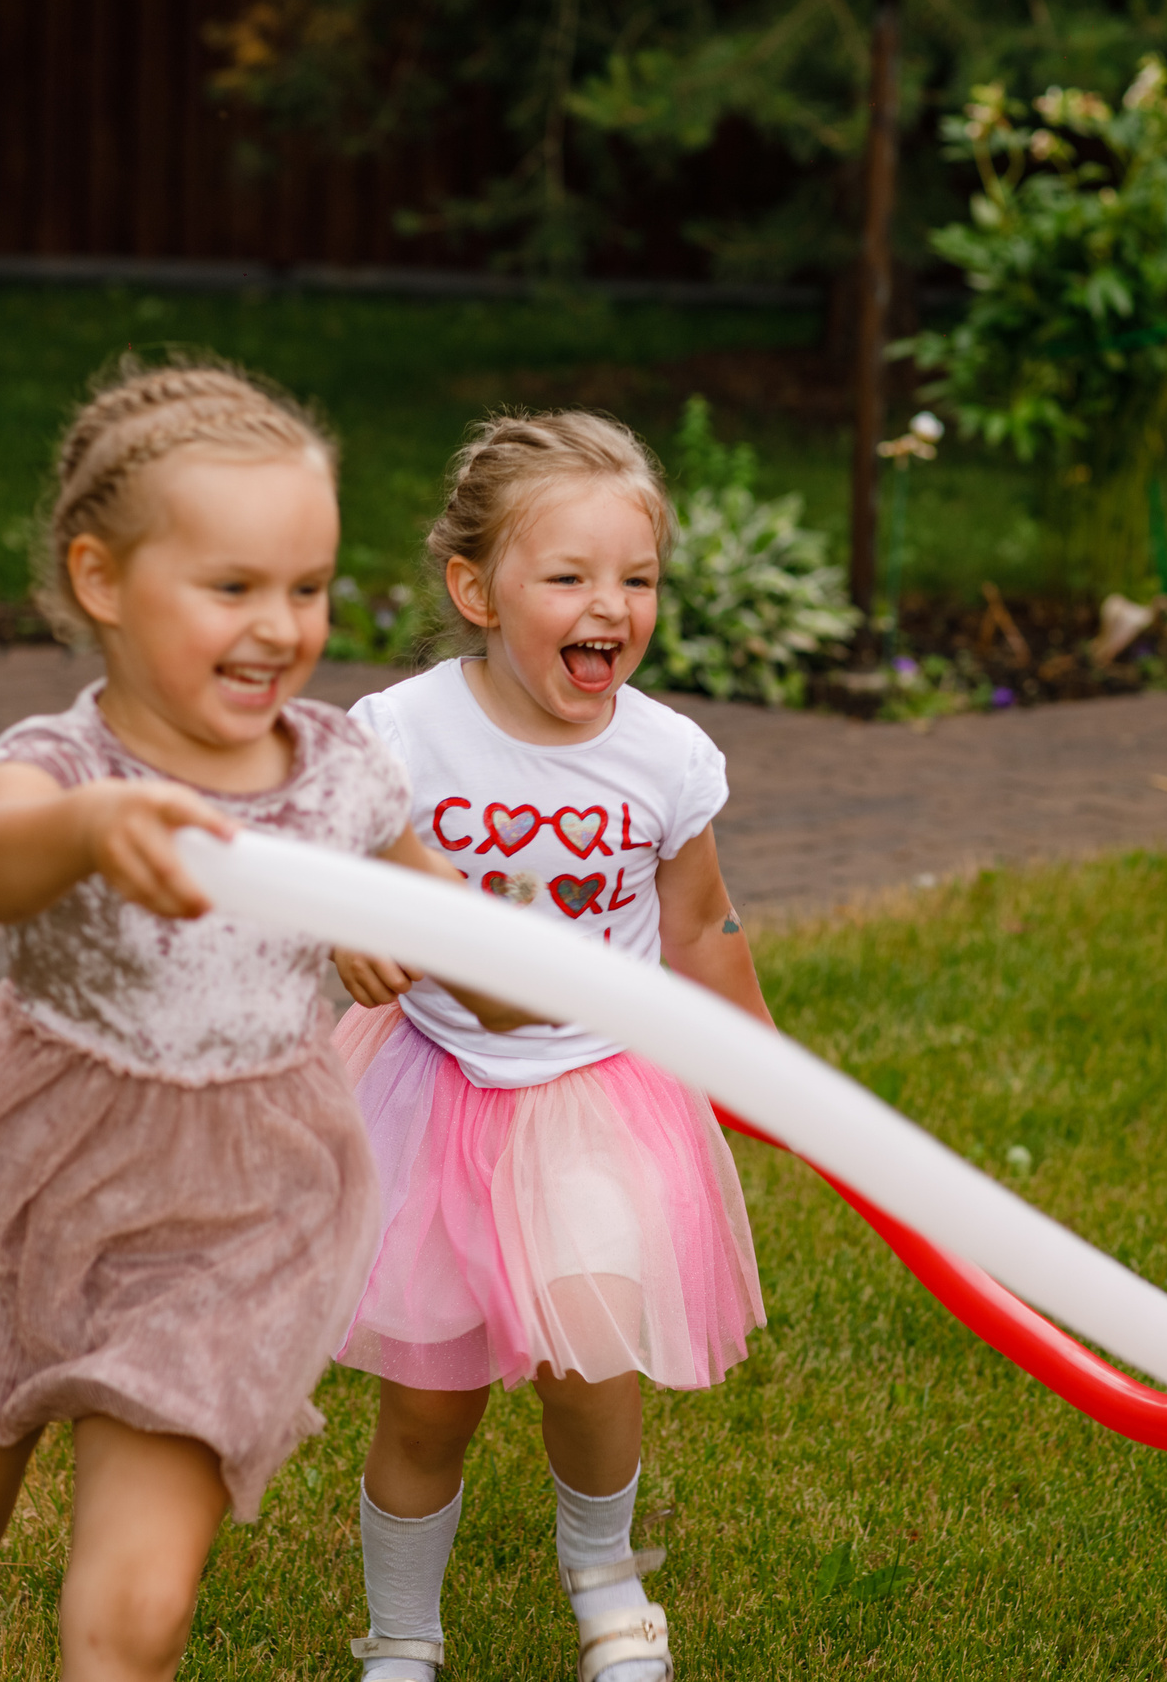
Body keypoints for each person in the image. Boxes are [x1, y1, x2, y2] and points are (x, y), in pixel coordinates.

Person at [0, 358, 454, 1682]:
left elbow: (473, 940)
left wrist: (458, 933)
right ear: (101, 579)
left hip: (234, 1207)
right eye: (234, 585)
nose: (280, 625)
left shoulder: (346, 771)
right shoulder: (61, 763)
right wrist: (90, 830)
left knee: (129, 1616)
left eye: (307, 586)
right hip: (31, 1168)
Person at [330, 411, 771, 1682]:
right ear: (475, 589)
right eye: (569, 576)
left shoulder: (662, 755)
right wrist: (348, 940)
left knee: (589, 1360)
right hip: (428, 1090)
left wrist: (771, 1069)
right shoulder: (400, 733)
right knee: (428, 1394)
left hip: (593, 1091)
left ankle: (608, 1588)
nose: (610, 606)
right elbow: (328, 874)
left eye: (635, 578)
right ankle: (403, 1637)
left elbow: (699, 920)